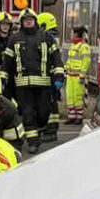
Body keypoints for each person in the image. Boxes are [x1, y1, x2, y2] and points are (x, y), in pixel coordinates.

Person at [4, 9, 63, 154]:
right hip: (22, 86)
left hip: (43, 85)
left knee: (44, 113)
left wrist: (59, 76)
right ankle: (32, 141)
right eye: (25, 20)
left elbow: (56, 58)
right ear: (22, 22)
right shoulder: (14, 39)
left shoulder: (47, 37)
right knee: (27, 113)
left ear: (35, 21)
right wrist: (2, 79)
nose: (28, 22)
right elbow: (7, 63)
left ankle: (39, 129)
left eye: (31, 19)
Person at [37, 12, 62, 143]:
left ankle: (51, 131)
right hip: (50, 76)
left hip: (50, 76)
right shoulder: (52, 37)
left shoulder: (50, 38)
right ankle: (47, 129)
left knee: (51, 105)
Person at [64, 25, 91, 125]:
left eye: (71, 33)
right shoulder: (73, 46)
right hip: (70, 76)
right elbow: (69, 60)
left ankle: (79, 117)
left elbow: (86, 62)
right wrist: (65, 69)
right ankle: (71, 116)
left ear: (75, 34)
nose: (70, 35)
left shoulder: (84, 47)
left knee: (78, 96)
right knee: (70, 96)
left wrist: (82, 75)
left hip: (78, 77)